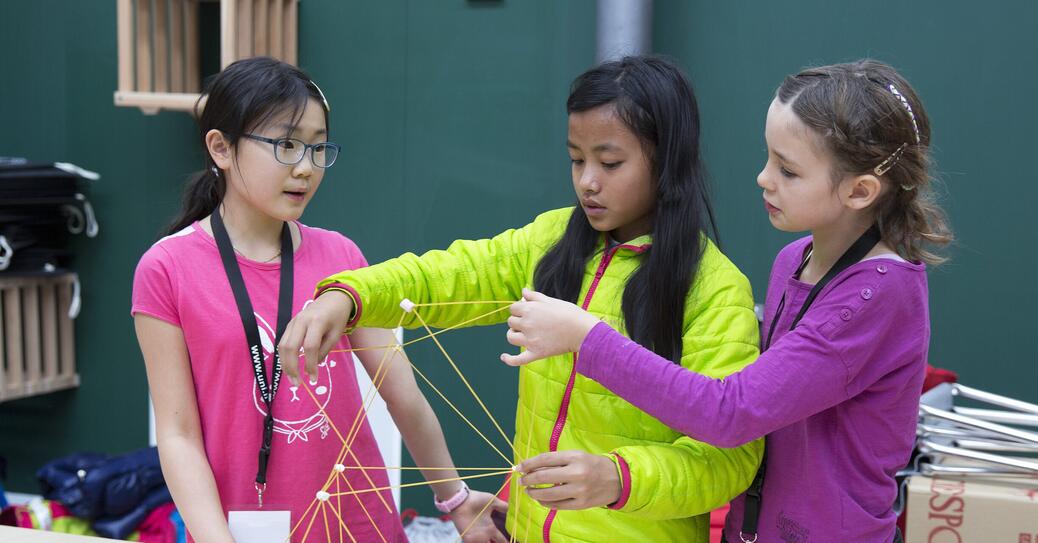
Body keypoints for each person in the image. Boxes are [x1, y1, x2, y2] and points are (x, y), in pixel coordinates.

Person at [277, 56, 763, 542]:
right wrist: (348, 295)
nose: (587, 181)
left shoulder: (716, 291)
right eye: (576, 158)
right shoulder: (549, 242)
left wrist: (618, 478)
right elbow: (446, 275)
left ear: (667, 159)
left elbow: (730, 459)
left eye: (610, 162)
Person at [503, 59, 951, 542]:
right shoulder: (792, 259)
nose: (763, 178)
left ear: (860, 191)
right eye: (768, 157)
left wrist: (588, 339)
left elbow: (730, 414)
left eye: (788, 170)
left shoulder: (877, 296)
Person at [132, 57, 504, 543]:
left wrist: (455, 502)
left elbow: (403, 397)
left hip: (358, 524)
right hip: (238, 530)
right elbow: (178, 437)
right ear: (221, 148)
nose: (306, 168)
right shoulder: (165, 269)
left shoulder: (341, 256)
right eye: (286, 145)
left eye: (317, 147)